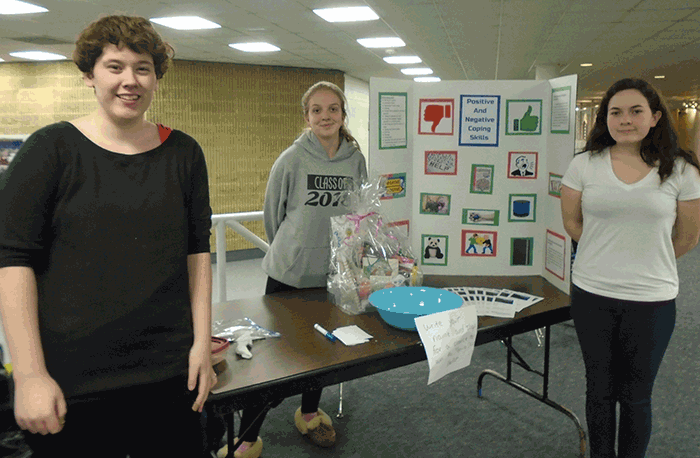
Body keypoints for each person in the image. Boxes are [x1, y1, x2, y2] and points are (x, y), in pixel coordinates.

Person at [0, 15, 216, 457]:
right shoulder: (51, 150)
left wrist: (201, 343)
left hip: (168, 372)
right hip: (74, 381)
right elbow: (11, 260)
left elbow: (198, 253)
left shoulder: (184, 153)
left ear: (156, 78)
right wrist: (29, 375)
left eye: (142, 68)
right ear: (89, 74)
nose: (129, 81)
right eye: (114, 66)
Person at [224, 81, 367, 458]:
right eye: (317, 110)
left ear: (342, 114)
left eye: (332, 109)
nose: (325, 116)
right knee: (270, 357)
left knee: (321, 351)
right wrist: (296, 247)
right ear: (306, 116)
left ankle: (308, 413)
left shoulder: (355, 159)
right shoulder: (292, 158)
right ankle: (249, 439)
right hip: (288, 273)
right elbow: (274, 215)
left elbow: (358, 211)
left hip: (331, 277)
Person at [560, 78, 700, 458]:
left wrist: (646, 259)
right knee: (599, 391)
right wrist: (603, 254)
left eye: (636, 111)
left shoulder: (681, 171)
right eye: (615, 112)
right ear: (604, 120)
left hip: (651, 300)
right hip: (593, 296)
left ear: (655, 117)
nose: (625, 120)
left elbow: (687, 238)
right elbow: (572, 225)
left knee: (636, 396)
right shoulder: (584, 165)